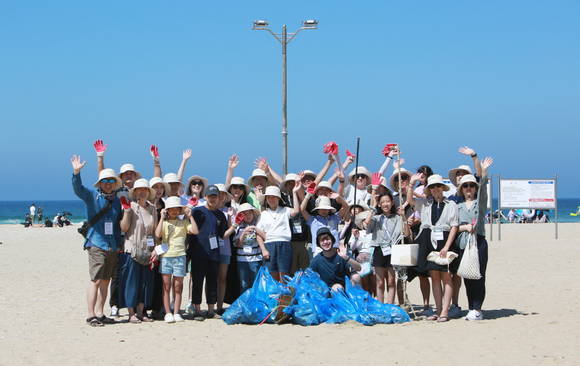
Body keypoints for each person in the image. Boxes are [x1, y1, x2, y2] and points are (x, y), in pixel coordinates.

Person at [71, 155, 122, 327]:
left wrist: (118, 245)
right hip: (96, 243)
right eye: (104, 180)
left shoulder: (117, 202)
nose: (108, 183)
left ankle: (100, 313)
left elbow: (116, 226)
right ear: (100, 183)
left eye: (111, 181)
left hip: (111, 246)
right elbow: (78, 189)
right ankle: (90, 314)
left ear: (115, 183)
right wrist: (76, 173)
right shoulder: (92, 196)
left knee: (106, 280)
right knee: (96, 280)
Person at [415, 174, 459, 322]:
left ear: (442, 187)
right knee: (434, 276)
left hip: (445, 240)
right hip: (430, 240)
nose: (435, 189)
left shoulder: (450, 204)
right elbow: (411, 202)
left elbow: (454, 226)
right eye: (432, 187)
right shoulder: (426, 205)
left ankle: (445, 310)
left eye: (438, 186)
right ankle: (438, 310)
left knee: (446, 276)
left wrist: (447, 246)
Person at [454, 157, 493, 321]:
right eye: (465, 186)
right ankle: (471, 307)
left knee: (479, 275)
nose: (469, 188)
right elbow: (453, 226)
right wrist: (464, 227)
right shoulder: (457, 206)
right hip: (463, 243)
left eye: (471, 186)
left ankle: (478, 308)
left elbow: (484, 188)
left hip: (479, 242)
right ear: (461, 189)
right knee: (467, 275)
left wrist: (483, 172)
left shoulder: (480, 203)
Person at [154, 196, 199, 323]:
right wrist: (162, 218)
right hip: (166, 256)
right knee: (166, 286)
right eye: (171, 209)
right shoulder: (165, 222)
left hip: (180, 256)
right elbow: (157, 235)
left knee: (178, 286)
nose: (174, 211)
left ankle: (176, 312)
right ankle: (168, 312)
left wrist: (190, 216)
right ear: (167, 210)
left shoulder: (184, 222)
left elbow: (195, 231)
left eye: (176, 209)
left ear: (180, 210)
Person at [118, 179, 158, 323]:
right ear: (134, 192)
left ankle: (141, 312)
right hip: (132, 249)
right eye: (139, 190)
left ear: (148, 192)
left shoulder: (153, 208)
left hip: (148, 250)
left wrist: (155, 250)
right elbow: (124, 228)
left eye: (145, 189)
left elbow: (154, 231)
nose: (142, 192)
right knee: (131, 282)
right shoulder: (130, 206)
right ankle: (131, 314)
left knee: (145, 283)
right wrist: (127, 211)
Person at [363, 191, 411, 304]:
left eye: (388, 201)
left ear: (392, 203)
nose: (385, 204)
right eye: (382, 202)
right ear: (379, 204)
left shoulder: (398, 217)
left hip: (393, 250)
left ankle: (390, 305)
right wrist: (373, 206)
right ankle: (380, 306)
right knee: (379, 282)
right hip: (379, 250)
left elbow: (406, 233)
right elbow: (366, 224)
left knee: (391, 281)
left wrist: (403, 216)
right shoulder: (376, 218)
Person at [188, 185, 228, 320]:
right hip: (198, 252)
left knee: (212, 282)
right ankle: (197, 310)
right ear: (205, 197)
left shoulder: (221, 215)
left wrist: (235, 225)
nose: (212, 199)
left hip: (214, 253)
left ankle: (211, 310)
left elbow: (223, 235)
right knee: (197, 282)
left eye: (215, 196)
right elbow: (188, 228)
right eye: (210, 196)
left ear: (219, 198)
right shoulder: (197, 211)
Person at [256, 185, 301, 282]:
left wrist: (294, 192)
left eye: (274, 197)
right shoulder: (263, 214)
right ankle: (275, 296)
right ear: (266, 199)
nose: (271, 199)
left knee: (284, 275)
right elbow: (258, 234)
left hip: (284, 243)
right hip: (269, 244)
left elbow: (296, 211)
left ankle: (284, 296)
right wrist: (263, 249)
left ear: (278, 198)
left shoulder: (285, 210)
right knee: (272, 274)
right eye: (269, 197)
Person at [229, 203, 269, 291]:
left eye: (249, 213)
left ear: (253, 213)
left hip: (256, 258)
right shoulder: (238, 227)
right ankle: (245, 304)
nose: (248, 216)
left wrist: (255, 228)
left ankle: (255, 304)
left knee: (256, 284)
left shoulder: (258, 224)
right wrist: (244, 233)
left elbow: (266, 238)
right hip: (242, 260)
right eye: (245, 214)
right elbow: (236, 244)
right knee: (244, 284)